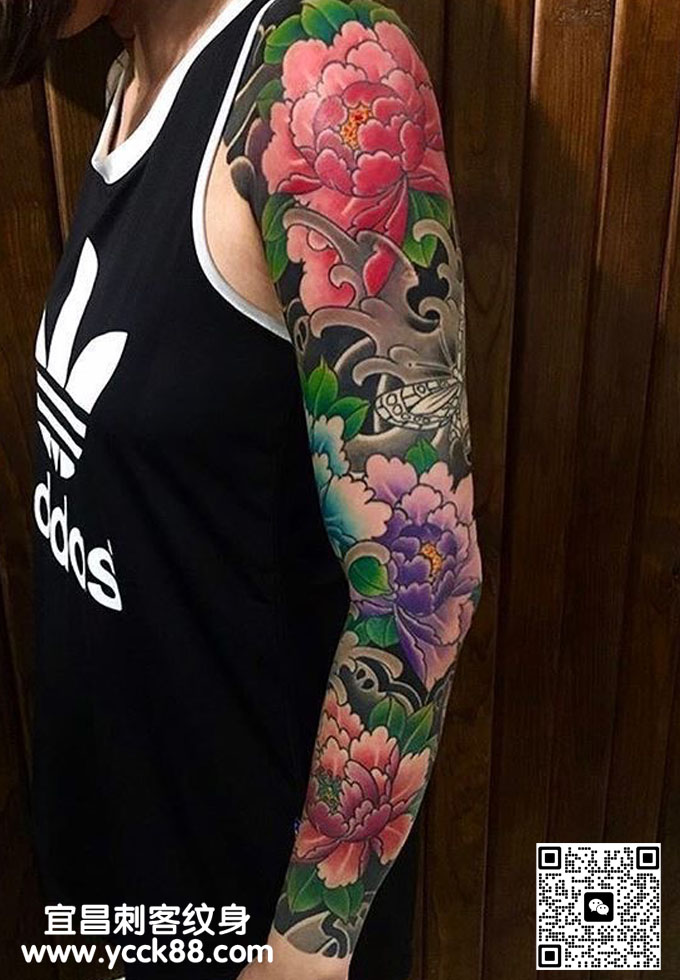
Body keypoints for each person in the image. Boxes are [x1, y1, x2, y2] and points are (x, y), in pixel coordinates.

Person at [1, 1, 482, 978]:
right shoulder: (130, 76)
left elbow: (423, 579)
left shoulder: (324, 83)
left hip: (252, 896)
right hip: (118, 858)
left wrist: (308, 942)